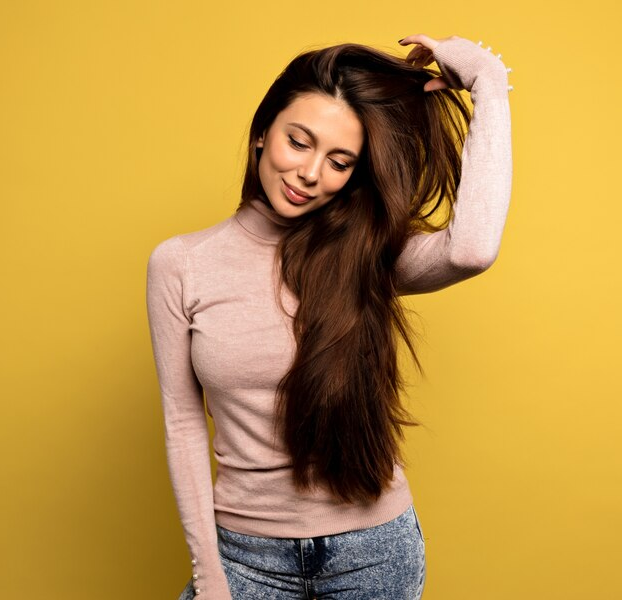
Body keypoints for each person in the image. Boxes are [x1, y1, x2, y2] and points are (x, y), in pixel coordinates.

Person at [146, 32, 513, 600]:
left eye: (339, 161)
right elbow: (183, 421)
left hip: (372, 556)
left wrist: (489, 83)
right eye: (299, 142)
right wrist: (208, 574)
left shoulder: (365, 253)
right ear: (263, 132)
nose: (311, 173)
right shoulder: (181, 265)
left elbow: (471, 250)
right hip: (243, 558)